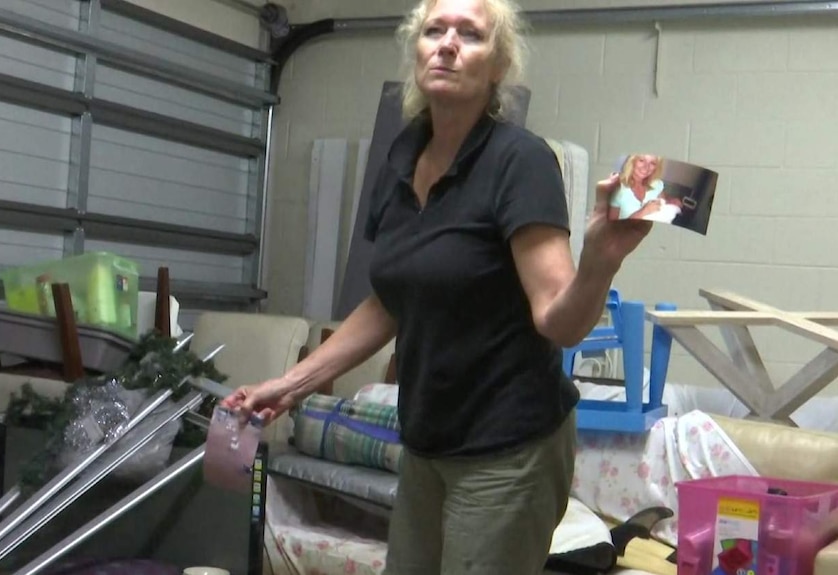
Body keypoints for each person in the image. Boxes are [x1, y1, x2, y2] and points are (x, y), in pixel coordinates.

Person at [223, 0, 652, 573]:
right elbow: (391, 301)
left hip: (508, 448)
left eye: (470, 35)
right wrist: (292, 384)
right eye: (434, 30)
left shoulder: (519, 161)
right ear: (416, 49)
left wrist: (599, 260)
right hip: (426, 443)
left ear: (497, 65)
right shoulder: (402, 156)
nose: (448, 43)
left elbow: (559, 319)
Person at [609, 153, 681, 220]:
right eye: (641, 160)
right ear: (632, 161)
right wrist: (642, 212)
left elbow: (662, 203)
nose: (646, 167)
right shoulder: (617, 187)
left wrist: (671, 201)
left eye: (652, 163)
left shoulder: (657, 184)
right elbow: (611, 227)